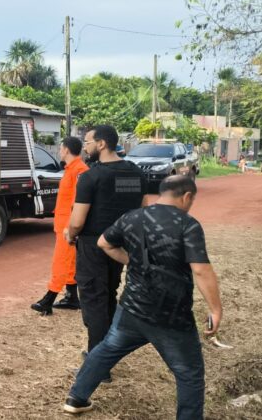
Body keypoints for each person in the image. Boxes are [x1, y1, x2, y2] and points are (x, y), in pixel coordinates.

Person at [64, 175, 223, 418]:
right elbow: (201, 270)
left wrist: (133, 261)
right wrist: (216, 310)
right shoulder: (188, 225)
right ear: (187, 196)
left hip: (132, 308)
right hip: (171, 315)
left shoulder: (132, 217)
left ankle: (76, 397)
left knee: (107, 349)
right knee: (189, 373)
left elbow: (104, 243)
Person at [66, 125, 148, 362]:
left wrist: (70, 234)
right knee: (109, 294)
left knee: (94, 299)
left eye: (88, 142)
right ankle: (106, 352)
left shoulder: (91, 177)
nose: (85, 147)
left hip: (93, 246)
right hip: (120, 245)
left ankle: (98, 361)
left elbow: (78, 221)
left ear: (101, 144)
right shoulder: (134, 173)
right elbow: (143, 208)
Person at [31, 136, 90, 315]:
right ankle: (72, 298)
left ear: (66, 150)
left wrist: (71, 227)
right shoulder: (72, 169)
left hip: (68, 226)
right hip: (64, 224)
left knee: (61, 261)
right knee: (69, 261)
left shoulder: (79, 170)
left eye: (61, 148)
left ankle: (48, 299)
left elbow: (78, 202)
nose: (59, 151)